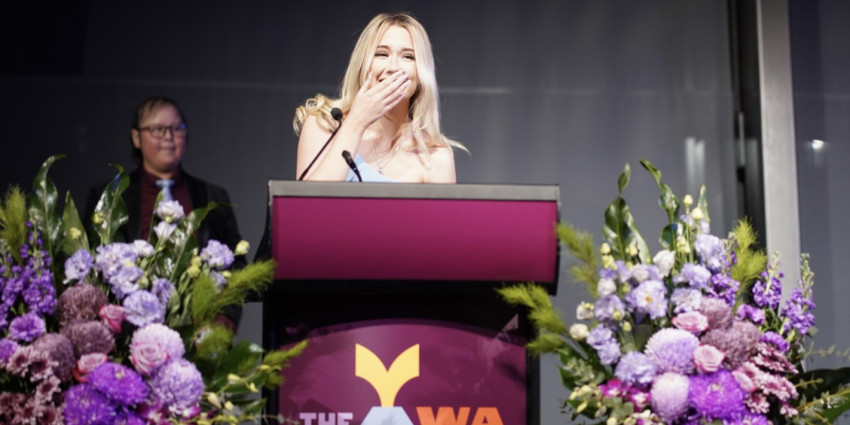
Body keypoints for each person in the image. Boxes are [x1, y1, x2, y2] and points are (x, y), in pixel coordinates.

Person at [84, 96, 244, 330]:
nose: (169, 137)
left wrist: (223, 321)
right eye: (158, 129)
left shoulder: (212, 197)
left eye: (176, 128)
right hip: (128, 329)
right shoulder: (109, 197)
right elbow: (92, 266)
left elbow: (237, 266)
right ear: (136, 138)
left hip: (200, 327)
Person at [293, 12, 465, 183]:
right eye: (382, 54)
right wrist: (356, 123)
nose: (393, 68)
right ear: (363, 64)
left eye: (408, 56)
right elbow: (311, 198)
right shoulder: (324, 124)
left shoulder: (435, 157)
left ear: (421, 74)